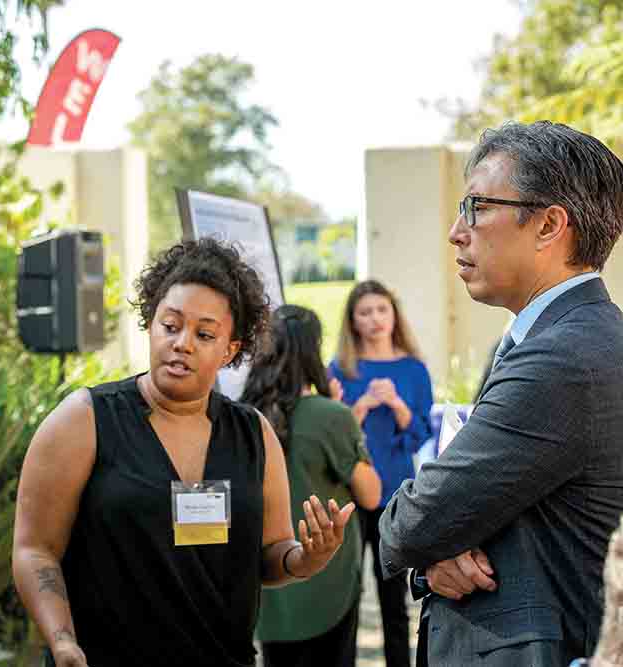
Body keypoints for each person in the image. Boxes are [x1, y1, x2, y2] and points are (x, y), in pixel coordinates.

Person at [12, 238, 357, 667]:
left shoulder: (253, 433)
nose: (182, 343)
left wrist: (305, 559)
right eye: (170, 325)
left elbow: (271, 554)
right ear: (150, 324)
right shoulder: (85, 420)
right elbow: (35, 549)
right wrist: (63, 640)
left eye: (205, 334)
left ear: (230, 350)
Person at [378, 120, 623, 666]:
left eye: (477, 207)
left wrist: (423, 540)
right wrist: (433, 552)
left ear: (548, 225)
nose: (456, 231)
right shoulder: (561, 338)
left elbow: (411, 524)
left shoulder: (561, 358)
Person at [242, 304, 382, 667]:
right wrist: (346, 420)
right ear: (313, 349)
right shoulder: (331, 416)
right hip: (327, 579)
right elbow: (371, 494)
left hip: (266, 587)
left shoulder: (240, 416)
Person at [328, 279, 433, 667]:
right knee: (346, 594)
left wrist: (397, 404)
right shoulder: (340, 369)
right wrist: (364, 406)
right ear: (354, 321)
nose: (375, 319)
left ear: (393, 315)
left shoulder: (413, 369)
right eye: (365, 312)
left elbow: (421, 432)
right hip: (350, 497)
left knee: (393, 598)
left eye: (381, 310)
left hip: (395, 498)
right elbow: (332, 432)